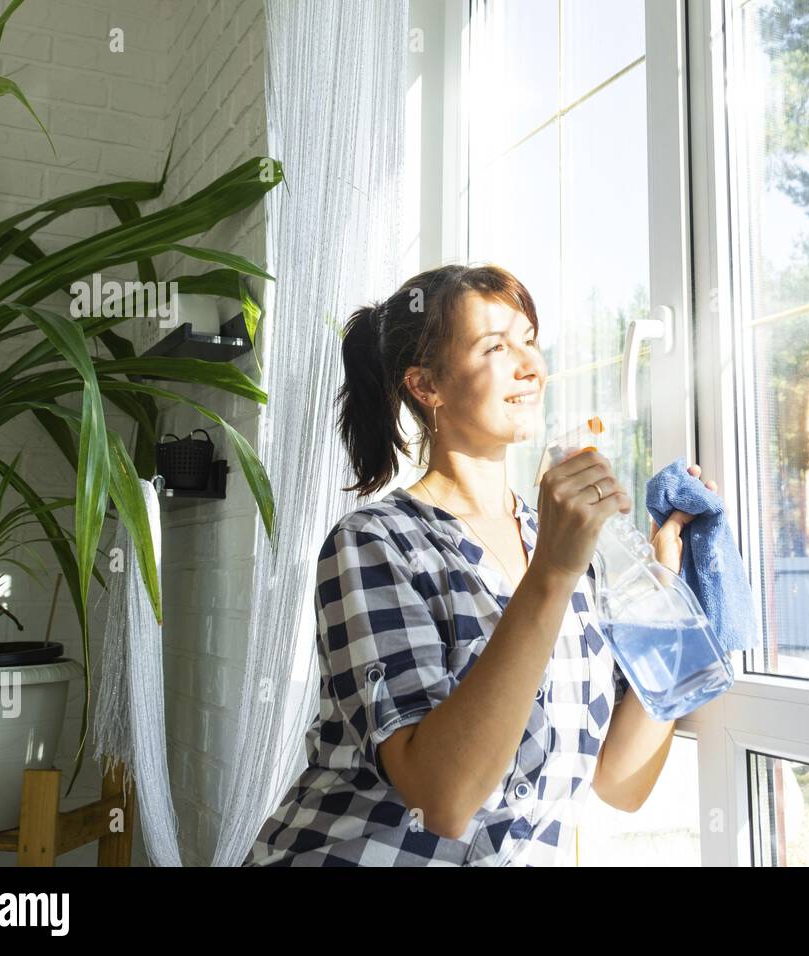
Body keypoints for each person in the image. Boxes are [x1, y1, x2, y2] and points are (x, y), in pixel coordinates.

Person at [243, 263, 718, 866]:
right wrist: (549, 574)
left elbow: (621, 783)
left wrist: (665, 590)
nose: (530, 365)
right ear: (426, 386)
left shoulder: (566, 548)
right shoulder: (376, 543)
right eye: (495, 346)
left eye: (528, 339)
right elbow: (443, 798)